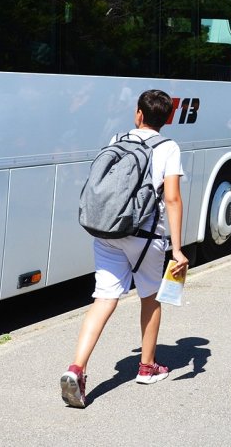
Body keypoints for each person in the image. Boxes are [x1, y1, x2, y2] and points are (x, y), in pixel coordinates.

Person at [60, 89, 189, 408]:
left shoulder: (118, 138)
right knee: (150, 296)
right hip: (147, 236)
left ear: (138, 114)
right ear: (168, 118)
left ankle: (77, 368)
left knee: (103, 298)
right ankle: (147, 366)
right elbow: (171, 198)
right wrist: (178, 249)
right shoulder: (169, 147)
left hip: (108, 229)